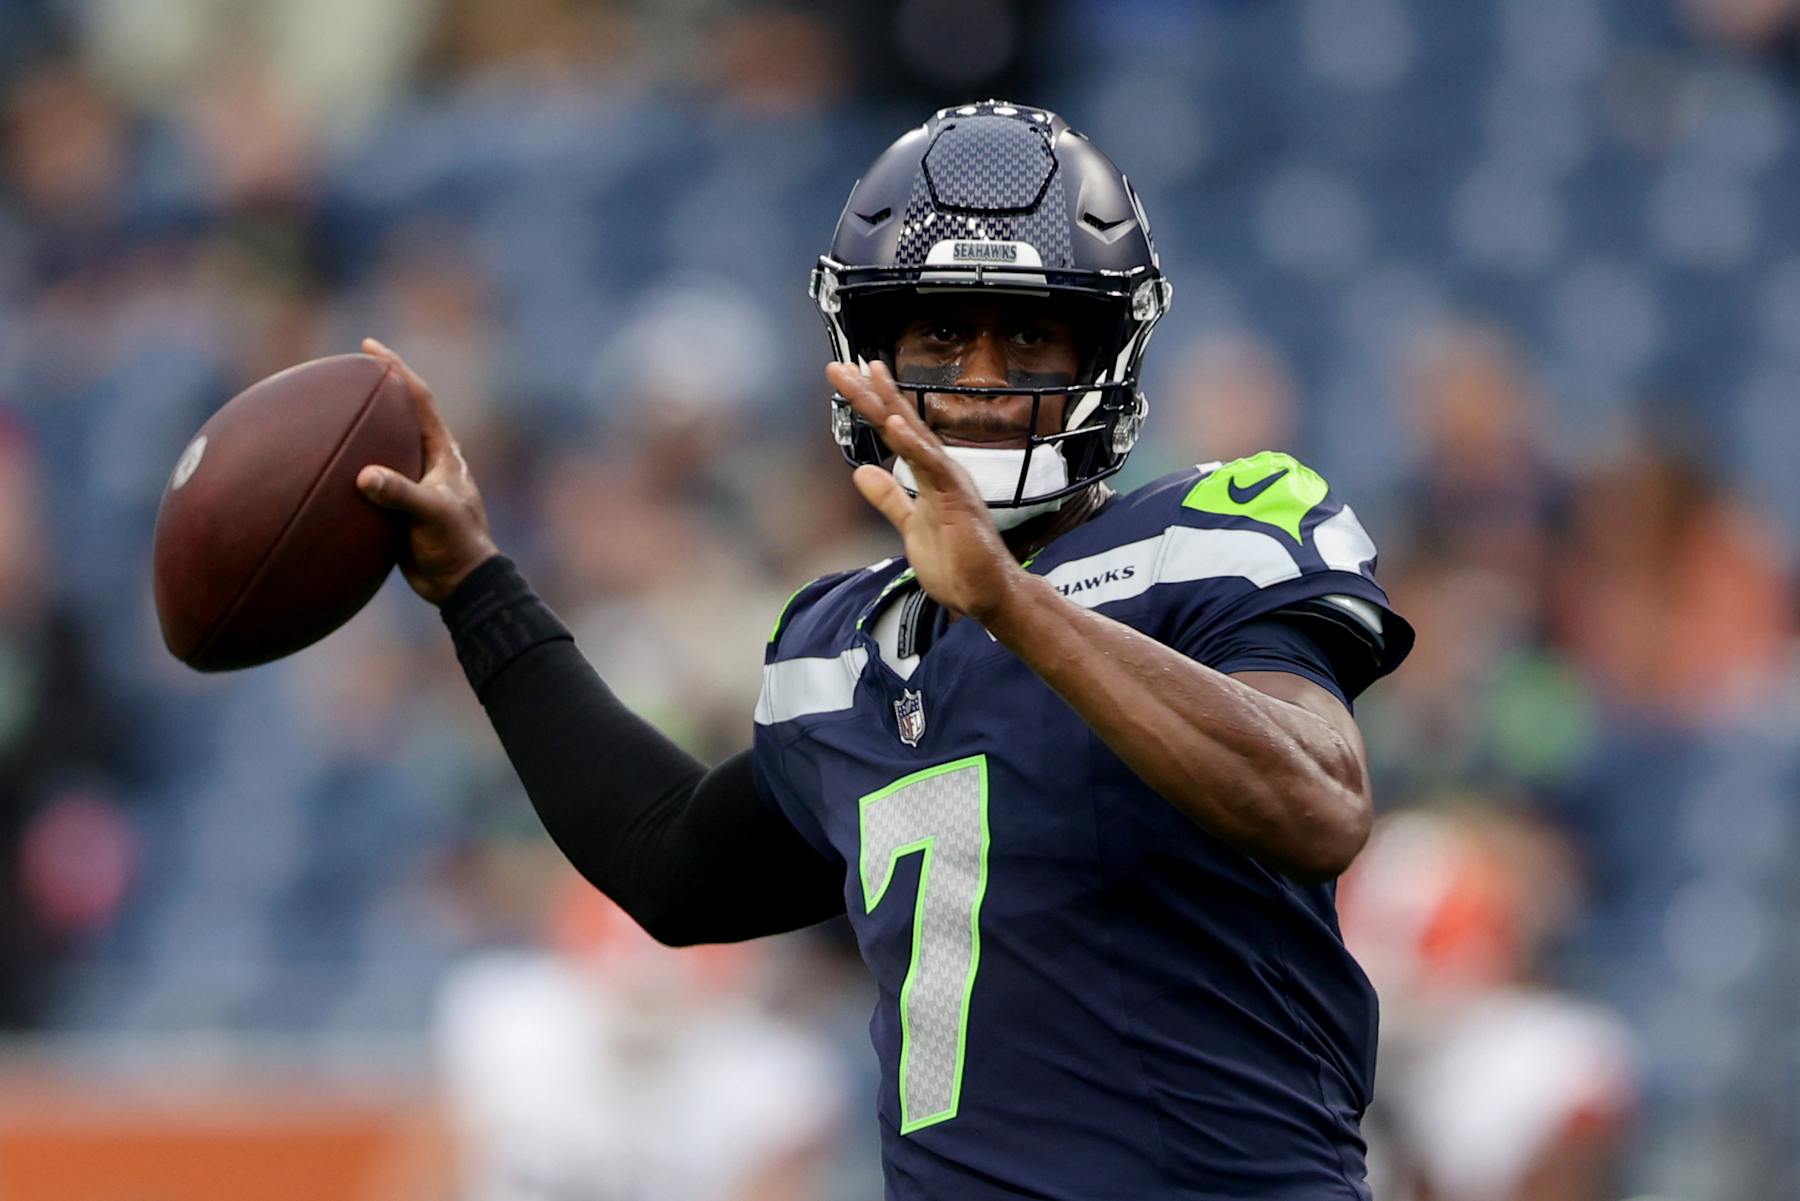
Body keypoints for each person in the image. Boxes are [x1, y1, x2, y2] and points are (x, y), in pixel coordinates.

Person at [356, 101, 1413, 1200]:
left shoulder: (1210, 540)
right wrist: (478, 587)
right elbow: (669, 863)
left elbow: (1318, 804)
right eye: (941, 336)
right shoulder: (841, 646)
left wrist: (1012, 604)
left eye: (1033, 335)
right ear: (871, 358)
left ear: (1109, 348)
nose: (985, 377)